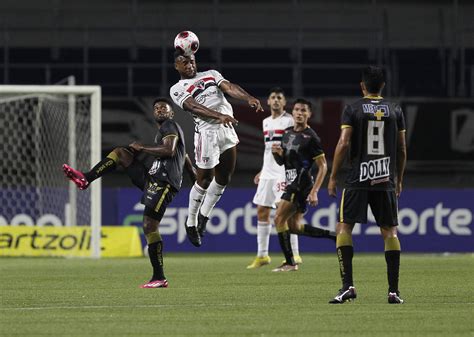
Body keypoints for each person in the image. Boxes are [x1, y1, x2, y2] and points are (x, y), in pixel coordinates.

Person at [62, 97, 196, 288]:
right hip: (154, 178)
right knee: (121, 153)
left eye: (164, 108)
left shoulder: (170, 125)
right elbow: (186, 158)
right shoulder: (167, 131)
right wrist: (197, 182)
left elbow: (170, 151)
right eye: (156, 108)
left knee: (150, 226)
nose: (159, 110)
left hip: (164, 182)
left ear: (171, 113)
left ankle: (159, 277)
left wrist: (142, 148)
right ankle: (86, 178)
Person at [327, 66, 407, 304]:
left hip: (357, 178)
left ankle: (347, 287)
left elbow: (343, 143)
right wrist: (399, 178)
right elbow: (402, 148)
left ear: (362, 86)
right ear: (383, 85)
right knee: (390, 232)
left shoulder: (353, 108)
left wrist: (333, 176)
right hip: (385, 179)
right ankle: (393, 291)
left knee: (344, 229)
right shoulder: (395, 109)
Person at [170, 50, 263, 247]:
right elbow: (193, 106)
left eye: (192, 61)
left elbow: (229, 87)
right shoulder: (177, 88)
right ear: (176, 66)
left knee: (224, 178)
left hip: (226, 128)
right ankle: (191, 222)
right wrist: (217, 116)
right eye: (184, 63)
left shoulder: (211, 74)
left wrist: (248, 97)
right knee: (204, 180)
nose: (189, 65)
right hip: (207, 134)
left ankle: (204, 216)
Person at [271, 98, 336, 272]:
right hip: (291, 181)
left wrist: (314, 192)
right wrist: (277, 155)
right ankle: (333, 236)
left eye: (303, 111)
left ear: (309, 114)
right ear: (292, 112)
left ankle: (290, 263)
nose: (300, 113)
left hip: (301, 184)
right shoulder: (286, 133)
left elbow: (323, 166)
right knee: (295, 227)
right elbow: (283, 162)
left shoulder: (311, 137)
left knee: (278, 219)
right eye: (297, 110)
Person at [247, 87, 302, 269]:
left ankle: (294, 254)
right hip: (268, 173)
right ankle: (262, 256)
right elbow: (268, 150)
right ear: (268, 102)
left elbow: (295, 147)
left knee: (283, 213)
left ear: (285, 103)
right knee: (262, 211)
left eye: (280, 97)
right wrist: (262, 170)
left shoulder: (289, 121)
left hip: (282, 173)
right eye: (273, 97)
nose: (276, 100)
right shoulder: (265, 122)